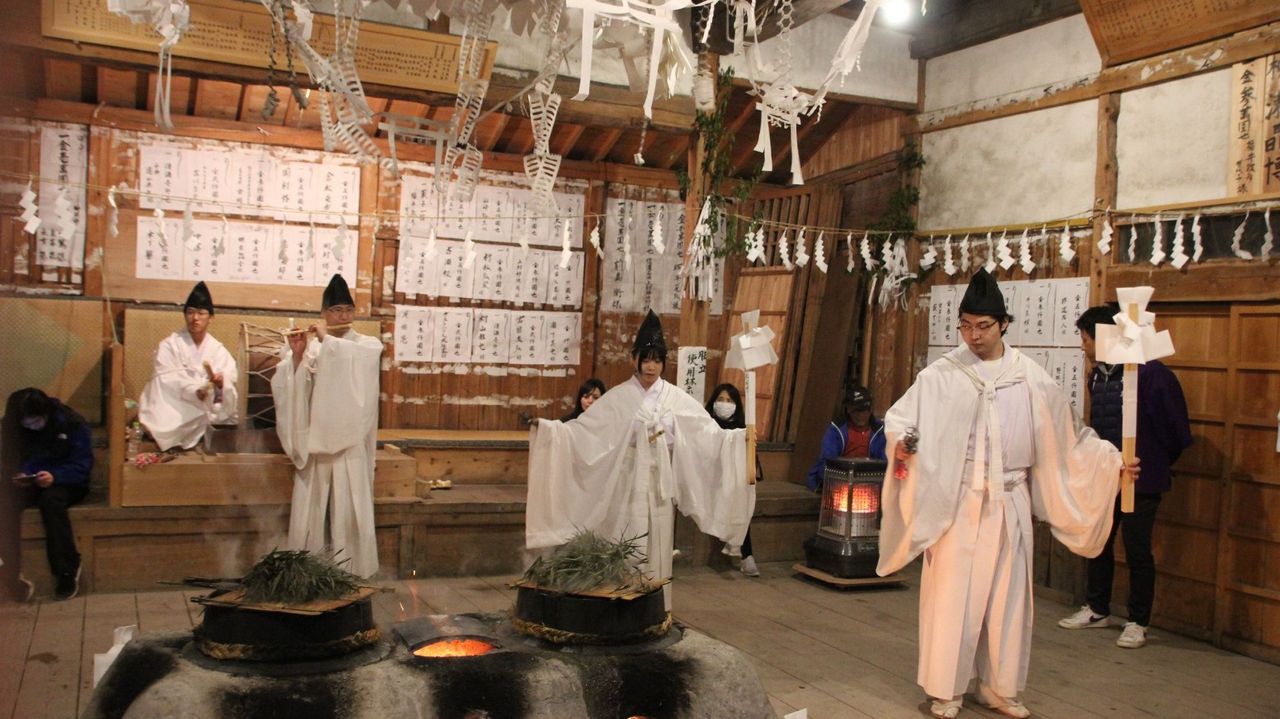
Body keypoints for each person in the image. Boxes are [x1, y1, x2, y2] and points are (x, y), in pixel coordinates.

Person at [878, 270, 1138, 719]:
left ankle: (999, 688)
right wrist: (903, 442)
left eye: (983, 326)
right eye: (965, 325)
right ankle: (947, 689)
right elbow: (901, 419)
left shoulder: (1030, 378)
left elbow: (1070, 438)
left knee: (1009, 599)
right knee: (952, 597)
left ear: (1003, 324)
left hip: (1011, 499)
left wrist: (1114, 462)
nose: (973, 336)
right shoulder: (942, 374)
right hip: (958, 501)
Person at [526, 310, 756, 609]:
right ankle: (615, 611)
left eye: (657, 359)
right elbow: (582, 432)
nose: (651, 366)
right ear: (634, 359)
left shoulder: (675, 398)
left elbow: (707, 434)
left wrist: (739, 439)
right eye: (646, 359)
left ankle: (653, 611)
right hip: (624, 485)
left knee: (656, 547)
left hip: (658, 489)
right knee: (620, 542)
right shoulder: (617, 399)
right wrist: (549, 430)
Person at [1058, 306, 1192, 649]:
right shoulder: (1098, 375)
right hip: (1107, 474)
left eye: (1086, 338)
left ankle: (1137, 621)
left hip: (1141, 477)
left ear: (1105, 337)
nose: (1083, 346)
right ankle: (1098, 608)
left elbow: (1176, 431)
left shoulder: (1150, 374)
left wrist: (1153, 462)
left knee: (1137, 548)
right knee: (1099, 540)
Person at [272, 274, 383, 578]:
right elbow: (291, 387)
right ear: (323, 313)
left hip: (349, 444)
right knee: (313, 512)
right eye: (335, 310)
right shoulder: (311, 346)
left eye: (347, 309)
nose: (342, 316)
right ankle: (309, 570)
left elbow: (358, 368)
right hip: (317, 443)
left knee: (348, 510)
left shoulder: (366, 345)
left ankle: (352, 571)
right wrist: (296, 358)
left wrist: (327, 341)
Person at [4, 388, 93, 600]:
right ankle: (9, 572)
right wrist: (15, 475)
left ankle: (66, 570)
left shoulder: (71, 422)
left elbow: (82, 465)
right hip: (28, 480)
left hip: (67, 480)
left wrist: (55, 475)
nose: (31, 425)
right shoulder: (10, 426)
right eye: (26, 421)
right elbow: (5, 458)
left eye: (35, 420)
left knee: (51, 501)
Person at [138, 281, 239, 451]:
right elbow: (165, 381)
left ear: (211, 318)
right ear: (184, 315)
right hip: (176, 404)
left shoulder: (218, 350)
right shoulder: (169, 345)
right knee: (160, 415)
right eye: (190, 312)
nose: (195, 318)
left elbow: (231, 379)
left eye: (201, 313)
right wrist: (194, 391)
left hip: (207, 407)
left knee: (229, 416)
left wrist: (222, 384)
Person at [705, 382, 764, 577]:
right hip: (709, 478)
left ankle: (746, 555)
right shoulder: (705, 423)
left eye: (729, 400)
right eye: (720, 399)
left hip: (732, 480)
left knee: (741, 501)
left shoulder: (742, 429)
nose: (724, 403)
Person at [805, 383, 887, 492]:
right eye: (855, 411)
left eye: (864, 411)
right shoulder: (836, 429)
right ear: (848, 410)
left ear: (870, 410)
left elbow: (884, 462)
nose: (860, 416)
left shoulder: (879, 430)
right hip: (841, 479)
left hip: (869, 481)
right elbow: (827, 461)